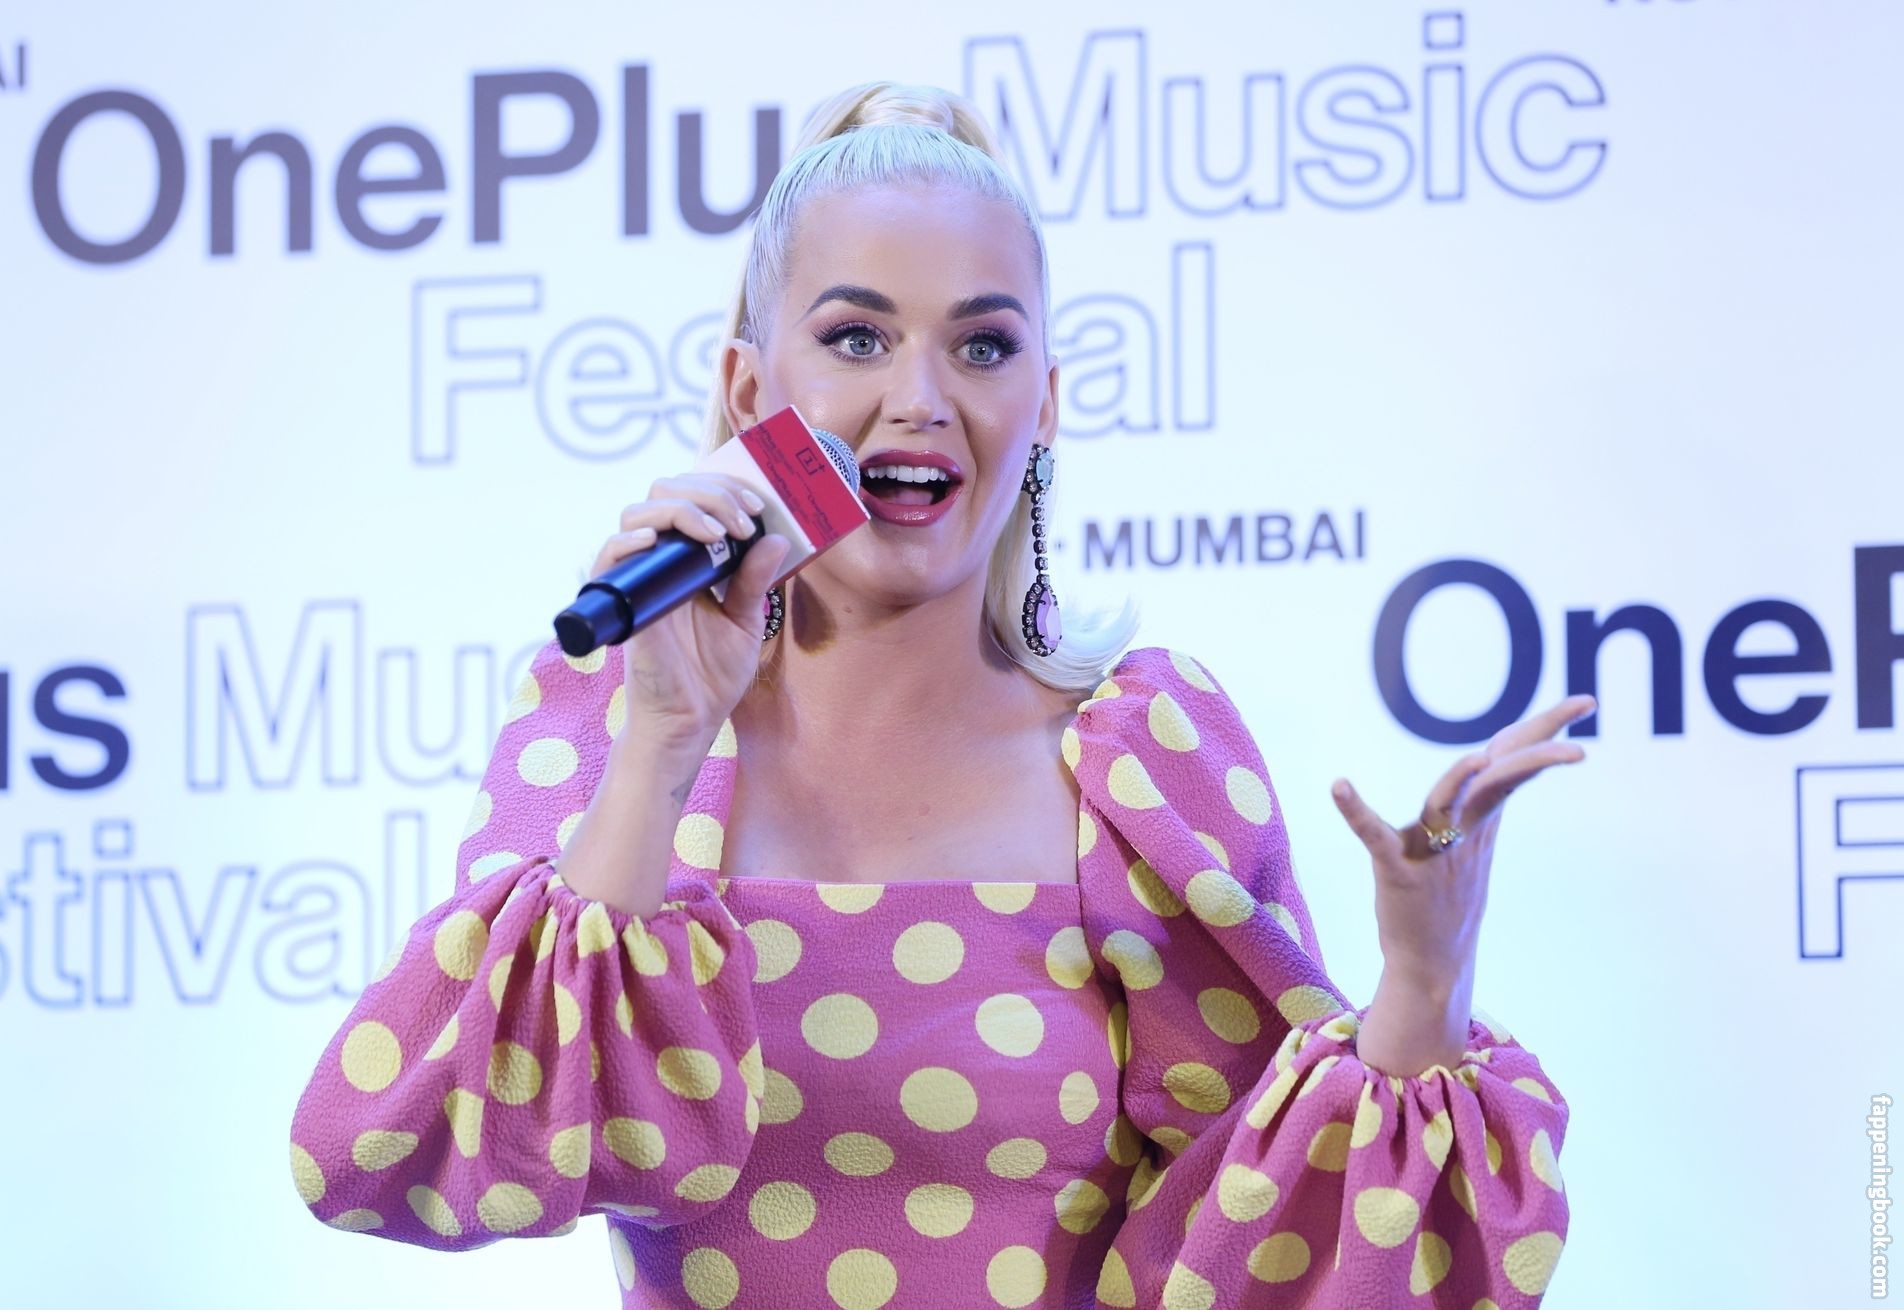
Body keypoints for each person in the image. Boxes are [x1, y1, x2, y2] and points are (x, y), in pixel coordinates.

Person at [289, 80, 1591, 1309]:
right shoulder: (614, 717)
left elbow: (1272, 1254)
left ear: (1045, 405)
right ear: (750, 391)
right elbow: (392, 1153)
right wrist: (666, 738)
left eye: (982, 345)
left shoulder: (1138, 756)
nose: (918, 399)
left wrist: (1426, 976)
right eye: (856, 337)